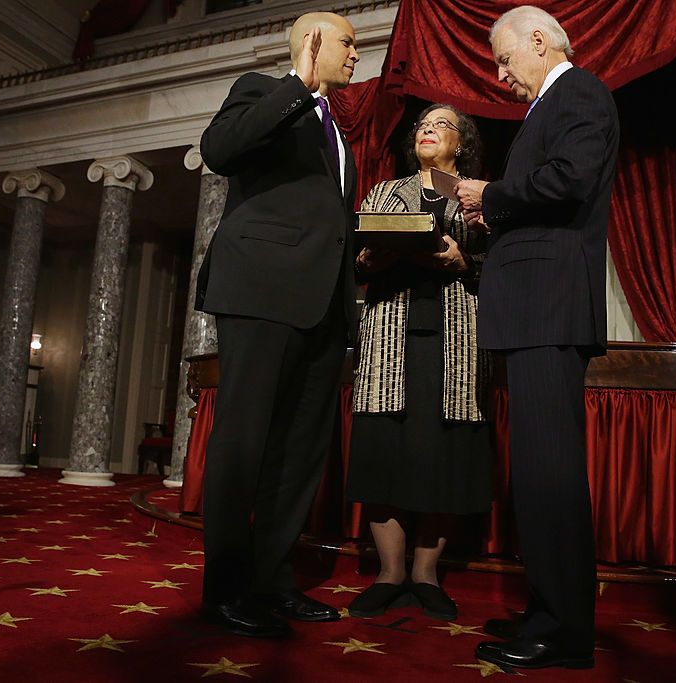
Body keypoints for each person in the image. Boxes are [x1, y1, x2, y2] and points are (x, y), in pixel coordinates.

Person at [454, 5, 619, 671]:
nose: (501, 75)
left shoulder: (579, 91)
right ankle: (549, 606)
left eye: (503, 58)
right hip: (533, 309)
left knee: (549, 474)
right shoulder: (546, 107)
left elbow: (568, 179)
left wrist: (489, 196)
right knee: (538, 470)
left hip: (549, 308)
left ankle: (564, 628)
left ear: (540, 41)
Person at [195, 11, 360, 639]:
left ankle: (272, 581)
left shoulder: (339, 132)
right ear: (312, 44)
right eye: (347, 44)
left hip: (324, 309)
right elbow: (219, 150)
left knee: (298, 452)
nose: (355, 56)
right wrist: (298, 81)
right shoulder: (261, 90)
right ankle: (226, 589)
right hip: (262, 294)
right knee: (244, 444)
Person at [345, 104, 492, 622]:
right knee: (384, 449)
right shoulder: (385, 192)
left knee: (442, 455)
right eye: (422, 125)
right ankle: (389, 574)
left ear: (461, 143)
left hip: (453, 336)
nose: (428, 130)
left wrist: (465, 260)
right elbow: (359, 251)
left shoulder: (476, 194)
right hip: (389, 334)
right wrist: (367, 259)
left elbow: (497, 263)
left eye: (441, 125)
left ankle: (426, 575)